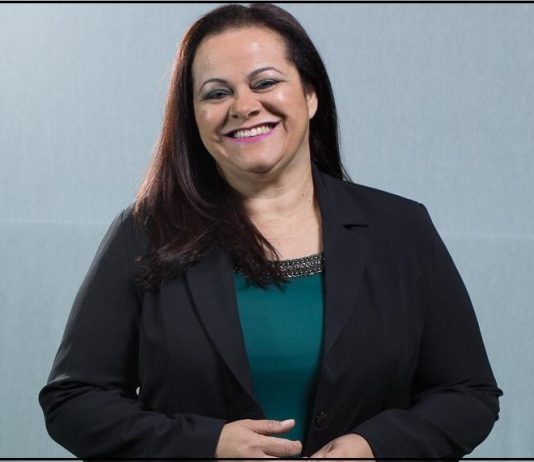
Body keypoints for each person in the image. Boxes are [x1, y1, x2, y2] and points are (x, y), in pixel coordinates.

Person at [39, 3, 502, 460]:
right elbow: (73, 401)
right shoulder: (145, 232)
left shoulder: (402, 228)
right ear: (193, 117)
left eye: (265, 83)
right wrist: (204, 446)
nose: (243, 106)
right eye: (216, 94)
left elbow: (468, 393)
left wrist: (375, 448)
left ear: (311, 95)